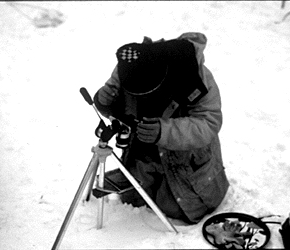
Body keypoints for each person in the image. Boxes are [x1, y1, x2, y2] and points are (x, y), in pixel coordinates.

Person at [93, 32, 229, 224]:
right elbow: (112, 100)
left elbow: (209, 122)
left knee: (175, 209)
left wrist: (164, 131)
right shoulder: (128, 66)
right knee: (134, 201)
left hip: (185, 160)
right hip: (141, 154)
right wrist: (103, 101)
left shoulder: (194, 74)